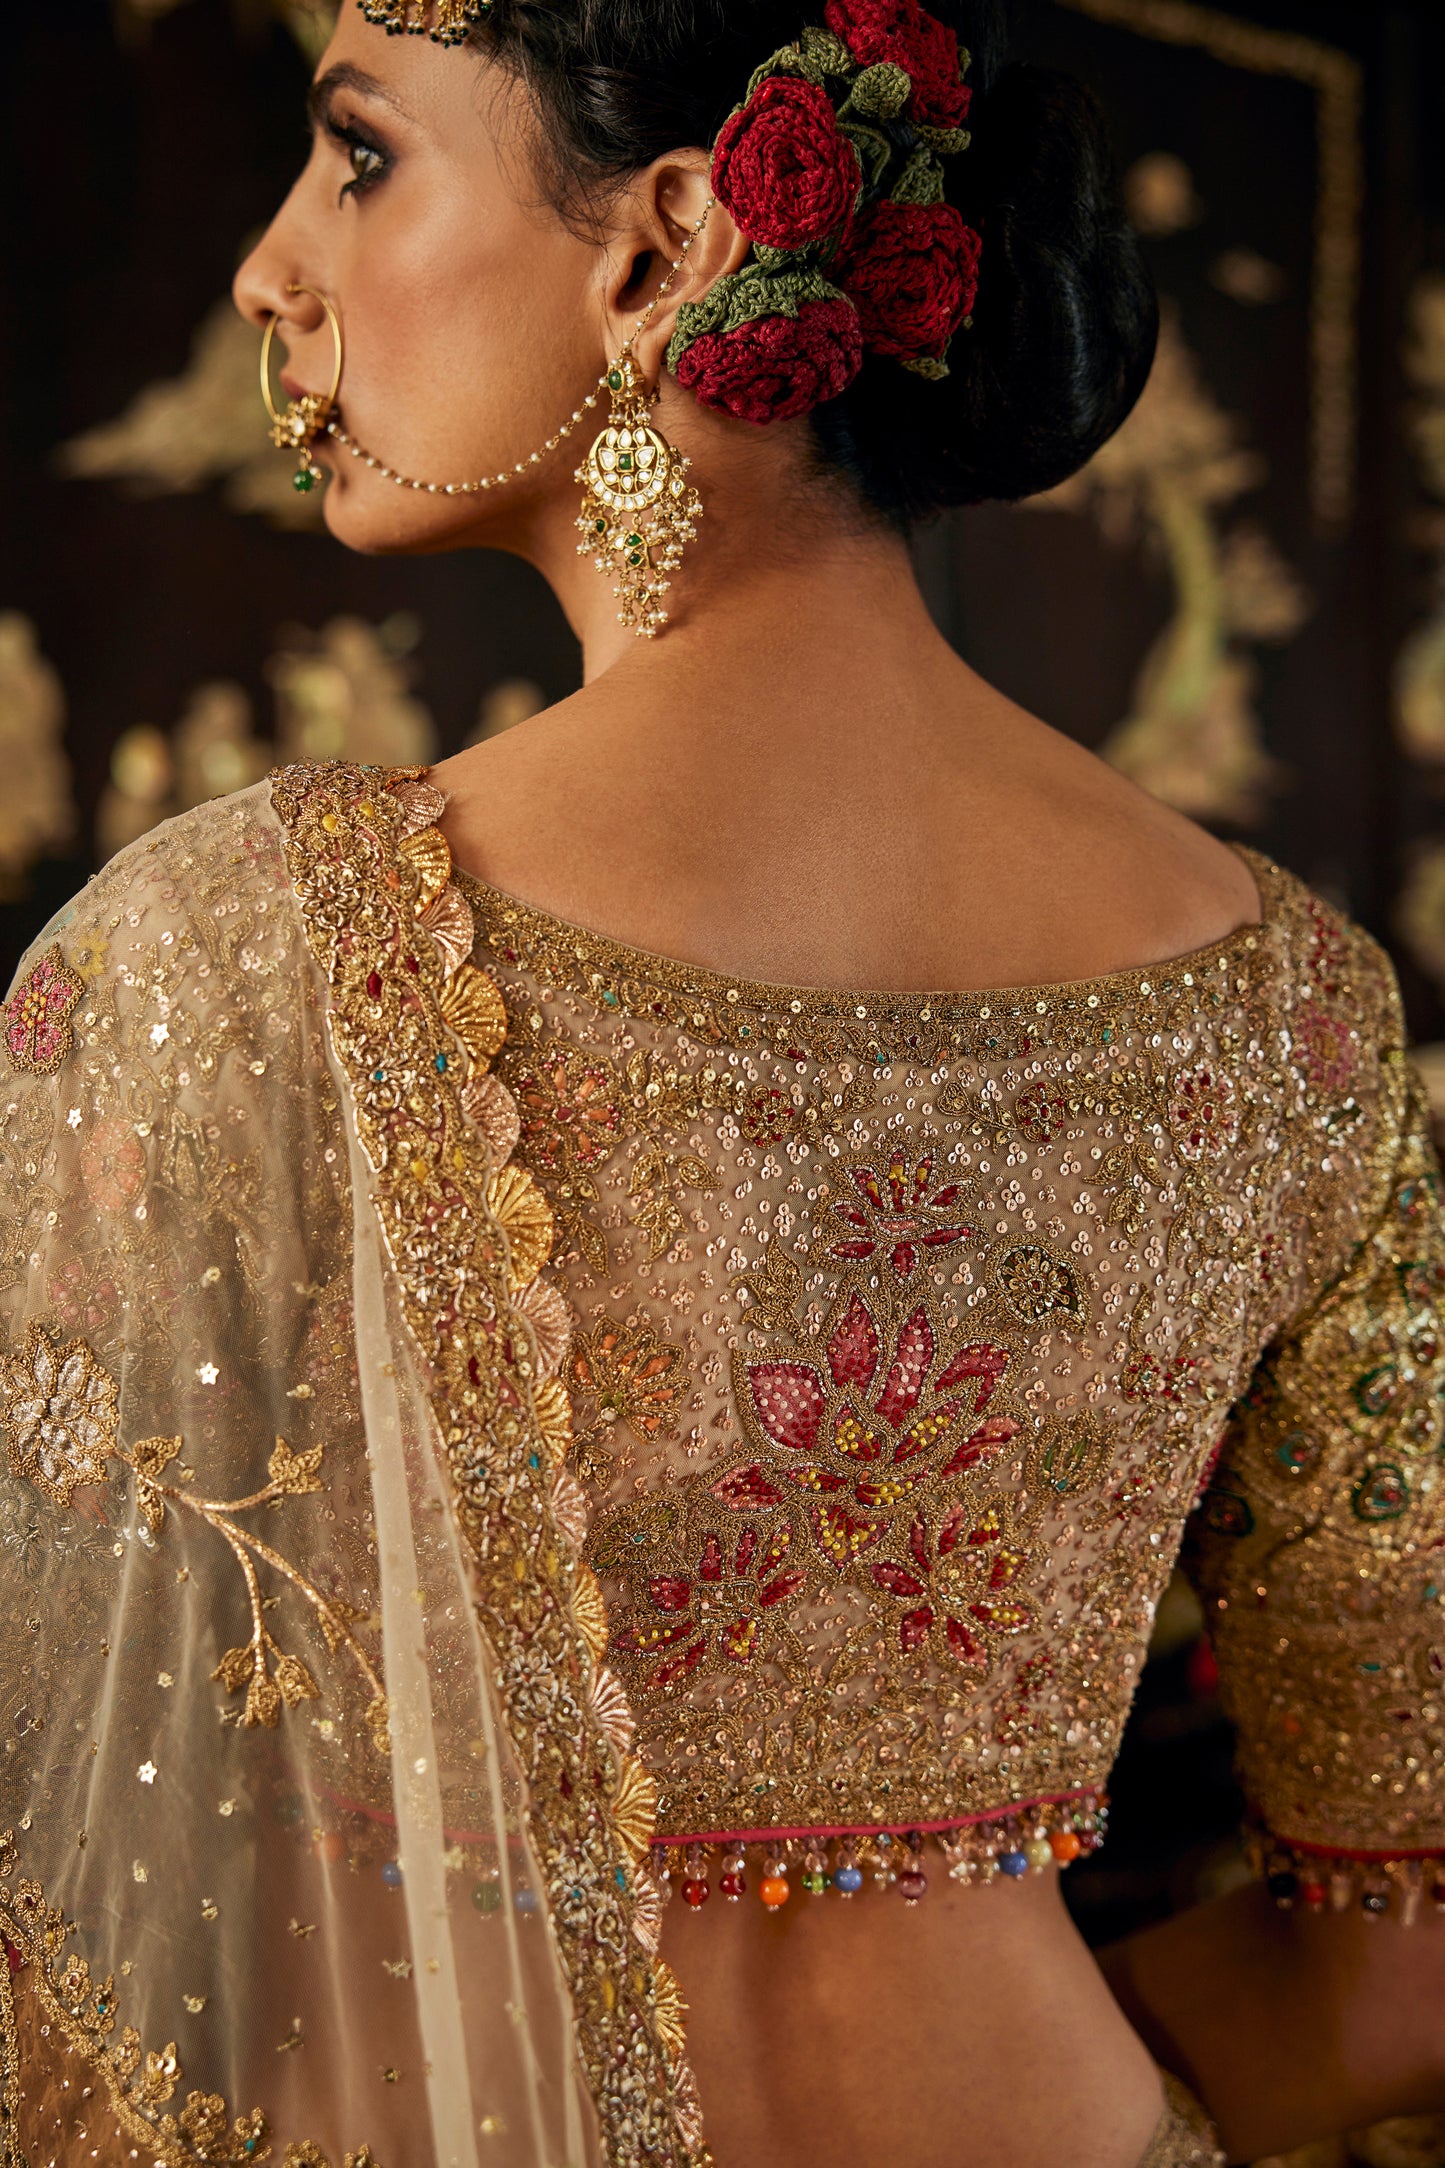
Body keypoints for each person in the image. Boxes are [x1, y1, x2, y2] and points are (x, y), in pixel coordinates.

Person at [2, 2, 1442, 2164]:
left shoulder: (235, 958)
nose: (271, 267)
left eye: (361, 154)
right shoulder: (1297, 1019)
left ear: (668, 241)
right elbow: (1400, 1975)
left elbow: (70, 1881)